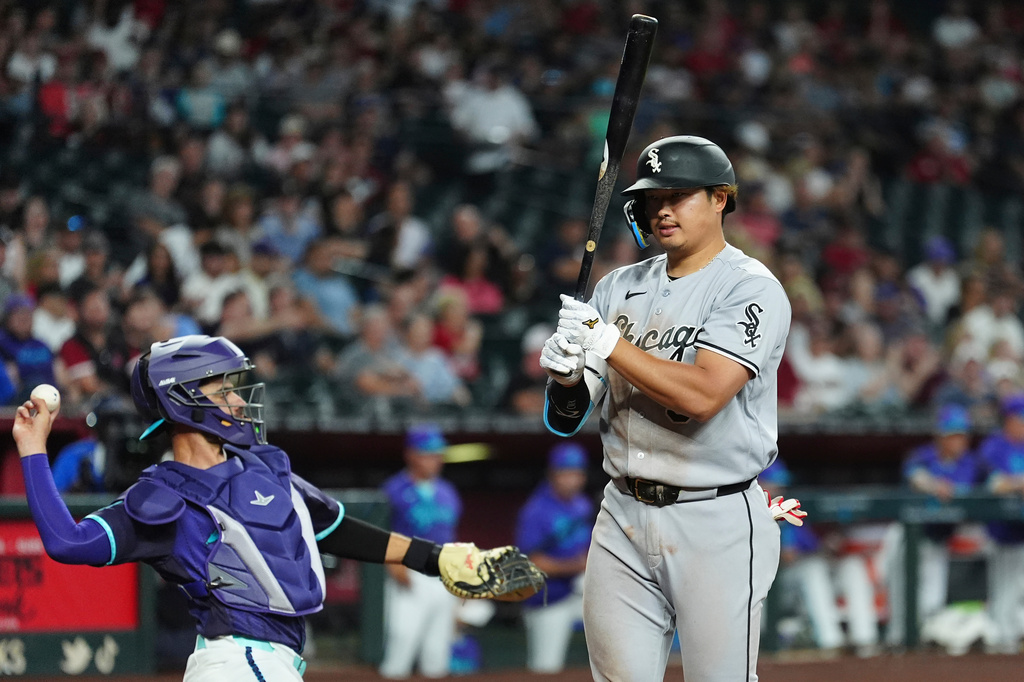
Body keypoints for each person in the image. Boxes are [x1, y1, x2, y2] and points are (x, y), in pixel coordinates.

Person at [11, 334, 538, 681]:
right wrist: (34, 450)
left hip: (269, 662)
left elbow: (334, 528)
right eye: (224, 391)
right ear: (183, 399)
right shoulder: (162, 497)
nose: (239, 402)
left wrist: (438, 558)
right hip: (236, 663)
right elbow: (69, 542)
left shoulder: (263, 467)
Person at [540, 135, 792, 681]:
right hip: (623, 513)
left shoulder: (750, 289)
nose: (662, 210)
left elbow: (703, 395)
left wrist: (607, 345)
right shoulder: (619, 286)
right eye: (654, 198)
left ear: (720, 198)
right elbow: (567, 416)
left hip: (716, 516)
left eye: (678, 195)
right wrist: (565, 376)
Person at [884, 403, 983, 650]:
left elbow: (985, 485)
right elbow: (915, 476)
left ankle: (922, 656)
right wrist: (934, 484)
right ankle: (895, 650)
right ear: (942, 436)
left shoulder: (970, 463)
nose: (961, 440)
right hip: (908, 537)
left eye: (963, 434)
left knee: (932, 600)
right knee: (901, 597)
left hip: (938, 540)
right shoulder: (923, 455)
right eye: (955, 434)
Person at [379, 423, 462, 679]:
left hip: (443, 575)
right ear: (411, 454)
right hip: (409, 574)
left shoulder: (448, 492)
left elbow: (452, 538)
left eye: (438, 454)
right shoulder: (393, 490)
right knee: (402, 643)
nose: (435, 460)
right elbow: (383, 534)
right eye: (427, 453)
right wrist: (394, 565)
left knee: (438, 652)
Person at [515, 442, 593, 674]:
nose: (572, 479)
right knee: (546, 668)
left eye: (577, 473)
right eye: (565, 472)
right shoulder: (536, 509)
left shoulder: (583, 505)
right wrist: (577, 566)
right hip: (546, 597)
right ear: (552, 474)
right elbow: (532, 562)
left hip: (579, 593)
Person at [978, 394, 1024, 654]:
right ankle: (1000, 640)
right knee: (1003, 587)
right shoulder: (994, 446)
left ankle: (1008, 637)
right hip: (1000, 531)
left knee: (1017, 589)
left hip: (1021, 532)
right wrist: (1020, 483)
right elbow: (994, 483)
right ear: (1008, 420)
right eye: (1020, 420)